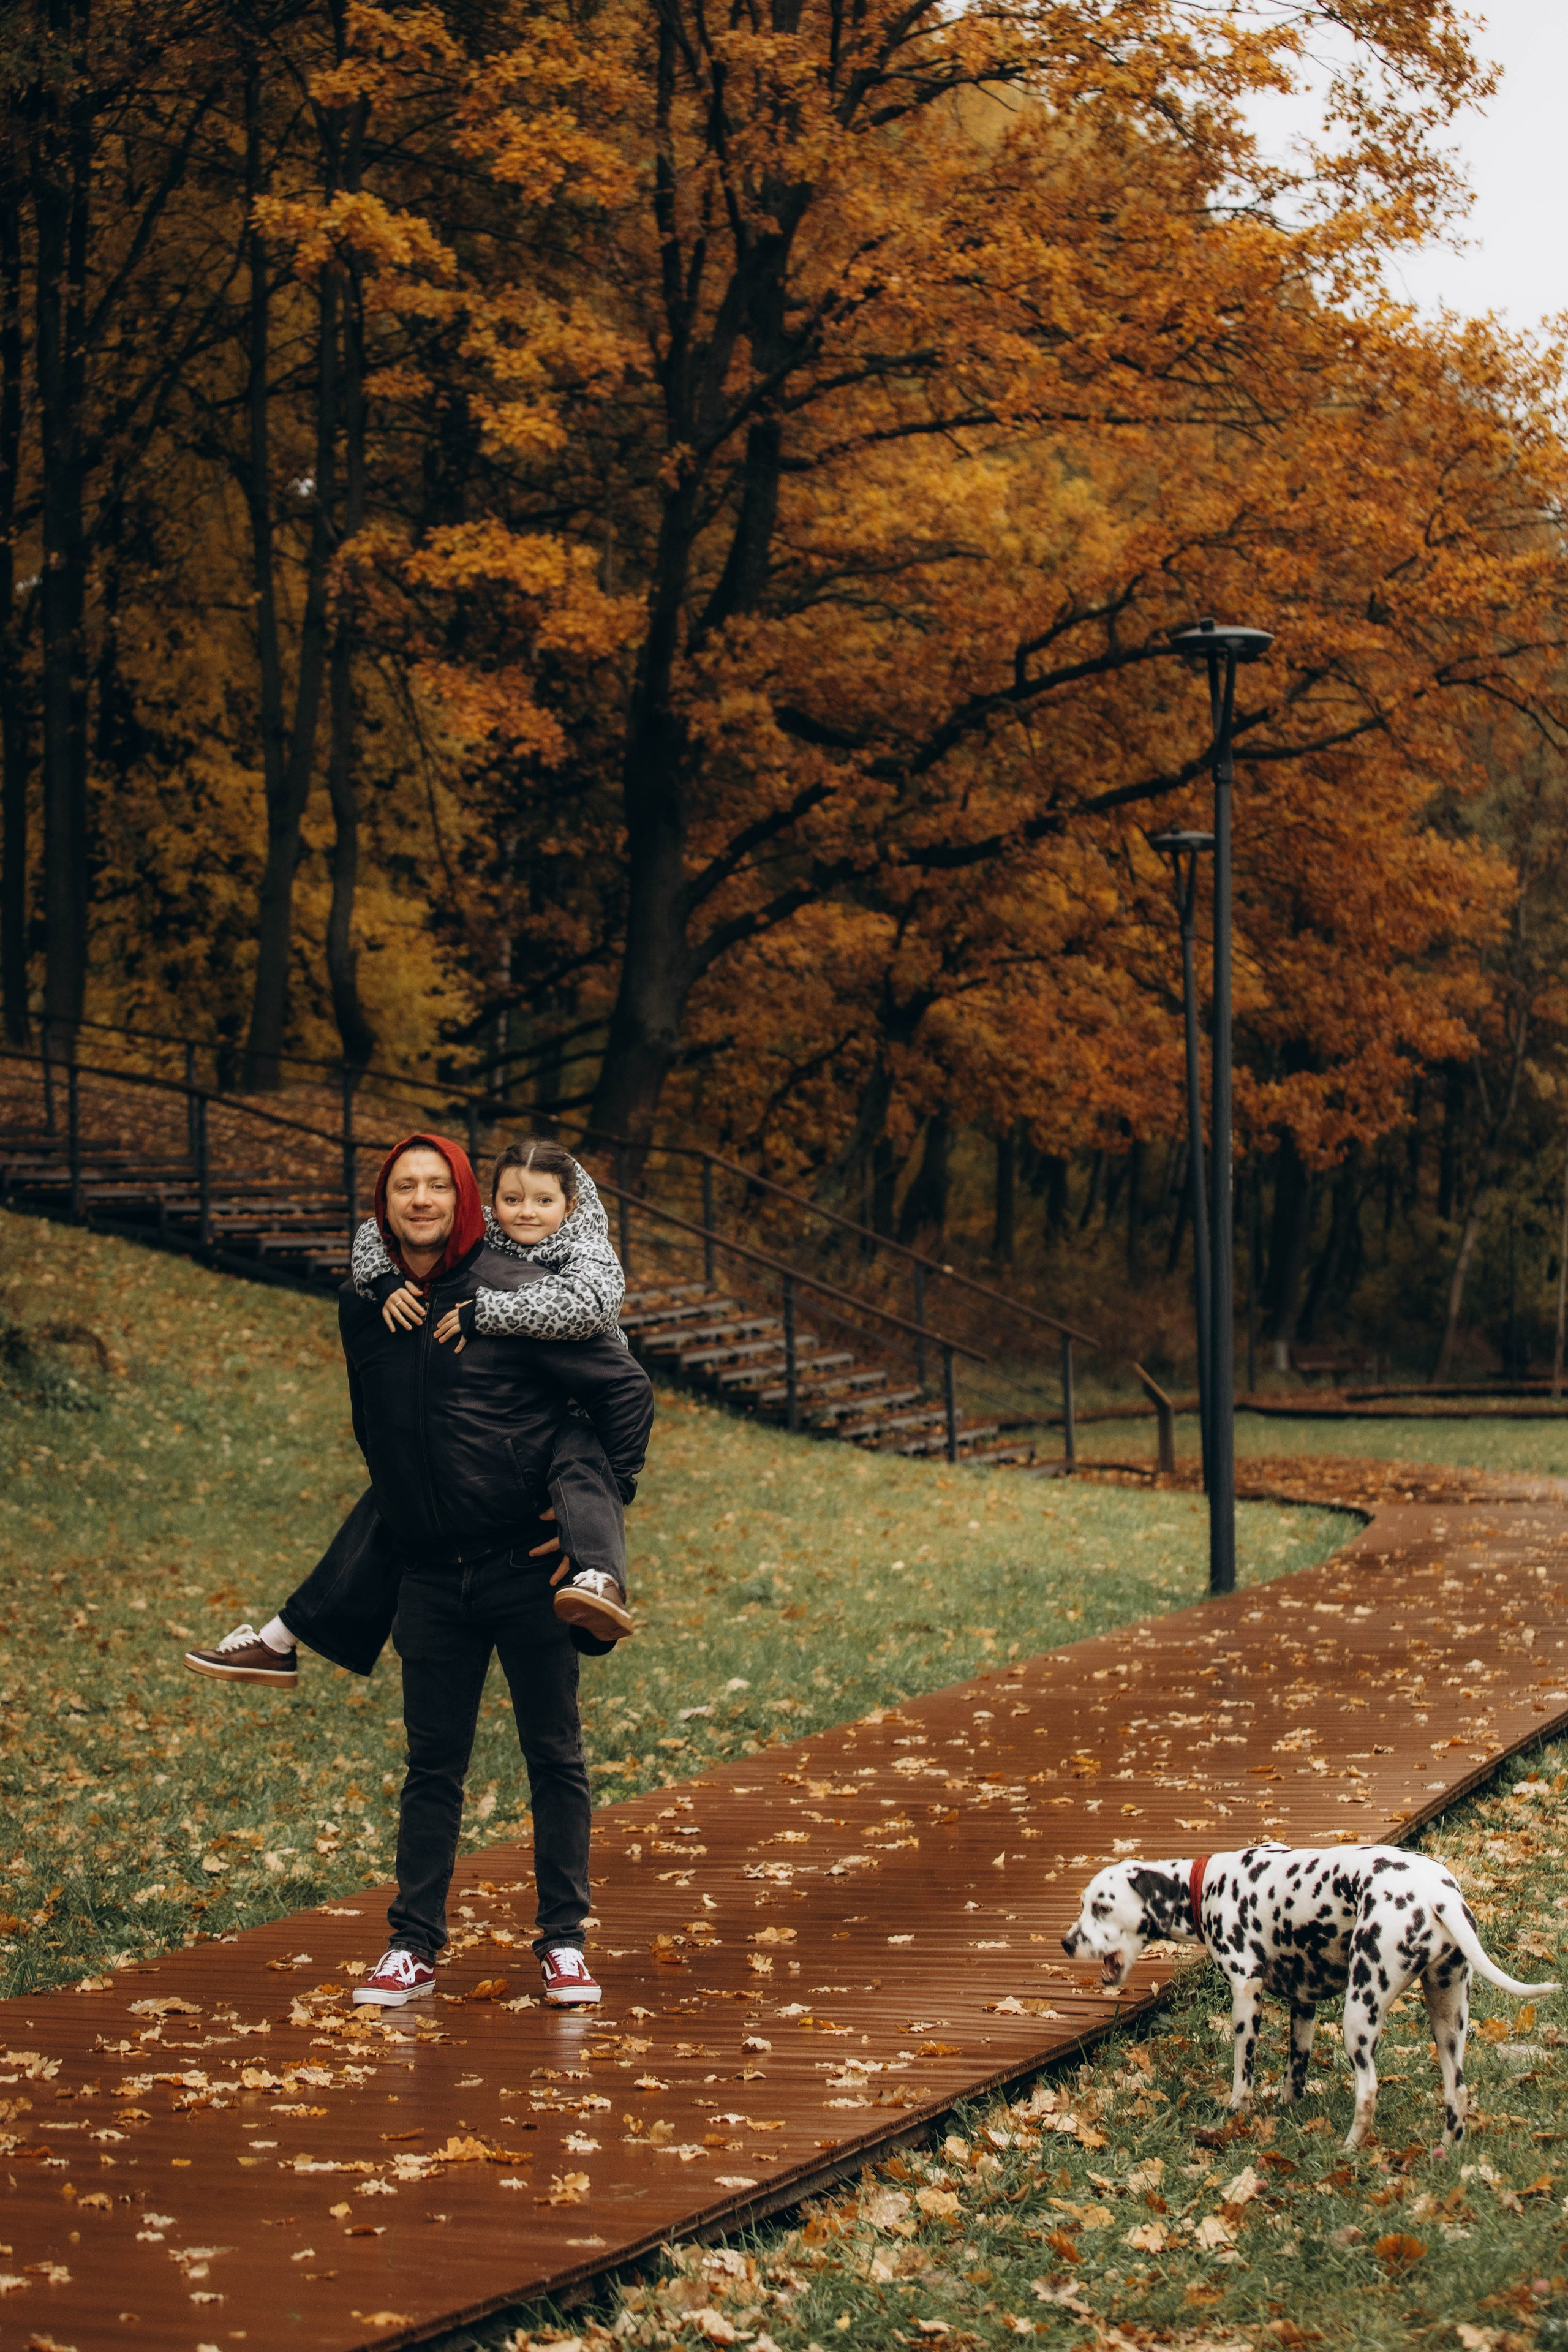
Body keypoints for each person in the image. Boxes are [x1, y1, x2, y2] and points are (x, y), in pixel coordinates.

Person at [203, 1133, 654, 2010]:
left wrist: (595, 1506)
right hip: (429, 1580)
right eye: (403, 1187)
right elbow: (371, 1422)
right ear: (384, 1203)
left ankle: (563, 1942)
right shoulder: (363, 1302)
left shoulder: (518, 1291)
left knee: (553, 1756)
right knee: (431, 1766)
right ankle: (412, 1947)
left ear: (463, 1201)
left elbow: (625, 1390)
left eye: (436, 1186)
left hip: (527, 1572)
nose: (420, 1200)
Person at [186, 1137, 635, 1668]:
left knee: (583, 1468)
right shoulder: (488, 1230)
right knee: (401, 1490)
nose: (526, 1213)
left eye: (543, 1201)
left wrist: (484, 1313)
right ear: (488, 1201)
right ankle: (282, 1638)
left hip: (577, 1410)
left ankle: (600, 1581)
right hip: (477, 1475)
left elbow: (590, 1312)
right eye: (512, 1200)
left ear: (570, 1205)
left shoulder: (583, 1250)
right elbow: (376, 1235)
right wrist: (382, 1279)